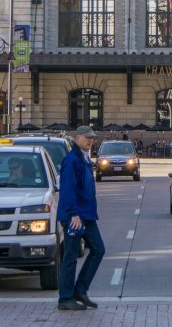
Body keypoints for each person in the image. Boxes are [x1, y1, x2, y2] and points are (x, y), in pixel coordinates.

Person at [57, 125, 105, 311]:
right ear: (77, 138)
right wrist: (74, 213)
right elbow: (68, 189)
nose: (91, 140)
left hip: (86, 215)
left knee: (98, 249)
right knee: (70, 256)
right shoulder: (72, 160)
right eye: (87, 137)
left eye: (92, 137)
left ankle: (80, 290)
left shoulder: (83, 158)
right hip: (75, 216)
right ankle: (65, 298)